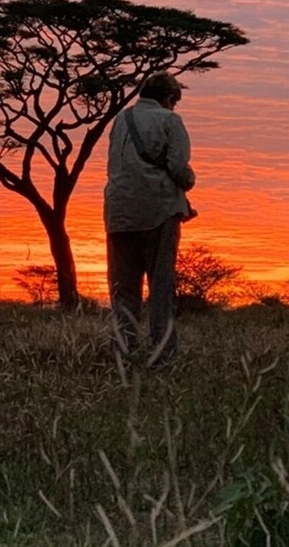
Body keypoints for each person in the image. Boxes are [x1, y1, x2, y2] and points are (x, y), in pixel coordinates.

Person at [104, 72, 196, 367]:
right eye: (174, 102)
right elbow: (178, 168)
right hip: (159, 211)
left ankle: (123, 353)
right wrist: (190, 180)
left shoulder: (121, 120)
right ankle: (162, 356)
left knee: (123, 290)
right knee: (160, 288)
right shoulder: (170, 121)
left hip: (118, 212)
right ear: (170, 99)